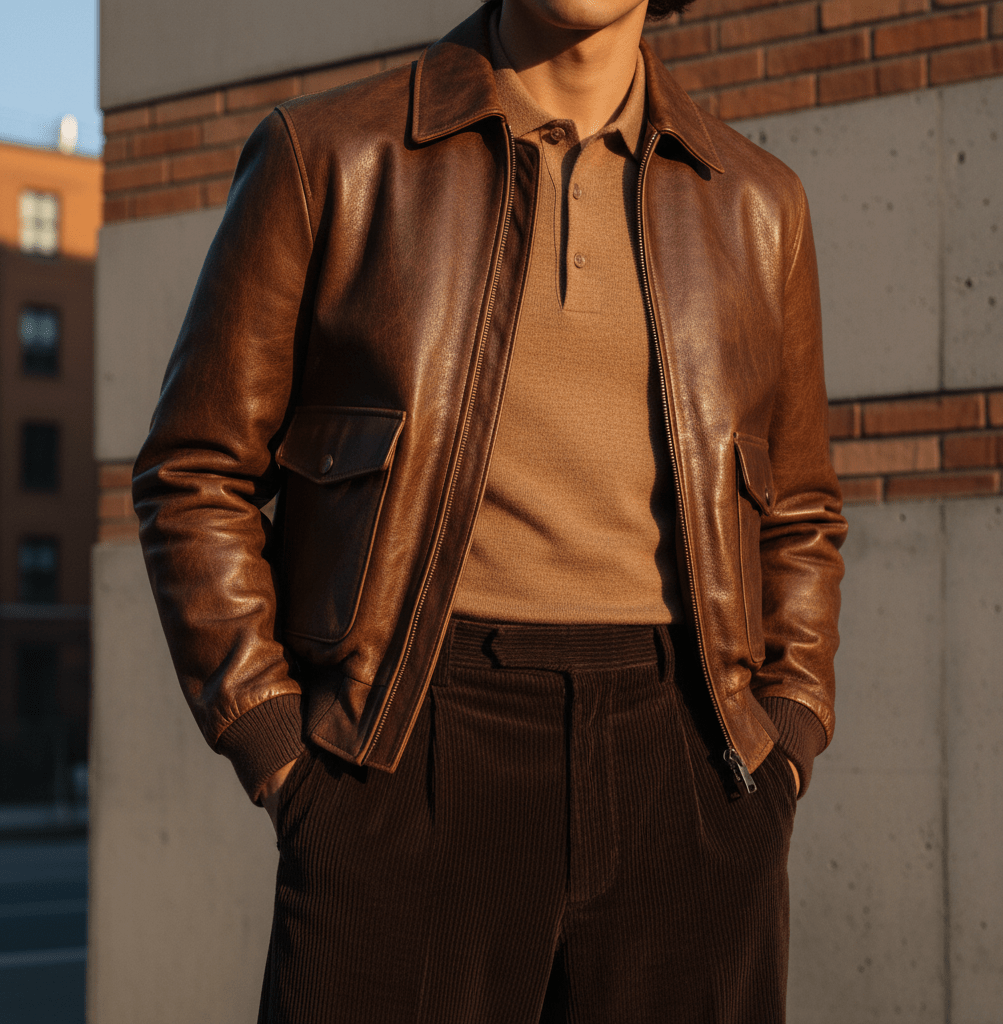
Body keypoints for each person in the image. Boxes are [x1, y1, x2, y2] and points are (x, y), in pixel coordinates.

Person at [133, 0, 847, 1020]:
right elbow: (195, 468)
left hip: (691, 764)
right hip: (405, 751)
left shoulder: (756, 204)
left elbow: (803, 509)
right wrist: (279, 747)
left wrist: (788, 726)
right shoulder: (329, 157)